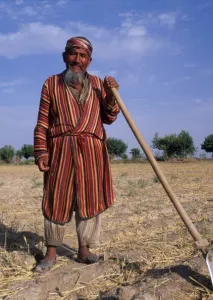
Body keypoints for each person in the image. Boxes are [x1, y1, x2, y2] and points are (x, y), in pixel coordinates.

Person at [33, 36, 120, 272]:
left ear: (89, 61)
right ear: (64, 57)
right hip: (60, 149)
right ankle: (51, 253)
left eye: (83, 56)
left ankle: (84, 250)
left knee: (89, 199)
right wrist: (42, 152)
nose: (77, 60)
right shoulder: (51, 84)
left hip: (92, 153)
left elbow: (109, 118)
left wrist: (112, 96)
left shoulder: (99, 85)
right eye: (73, 54)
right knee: (56, 198)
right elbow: (42, 123)